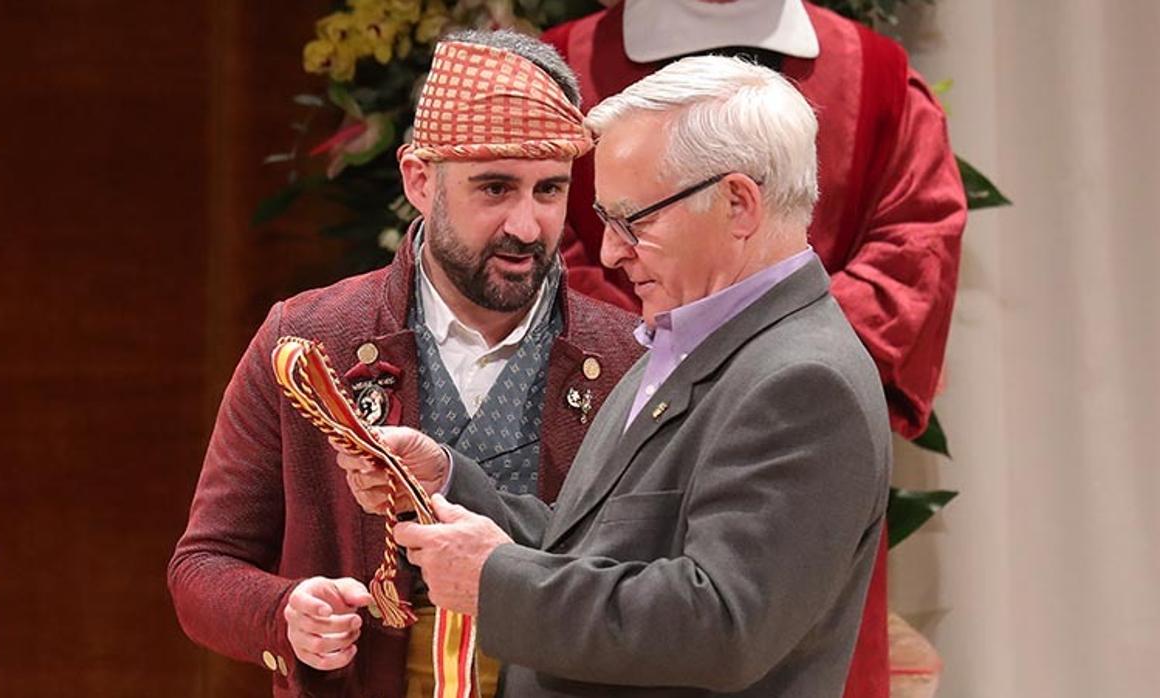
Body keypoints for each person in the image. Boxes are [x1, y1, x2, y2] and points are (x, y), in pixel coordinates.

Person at [339, 56, 893, 697]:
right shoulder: (689, 339)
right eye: (605, 221)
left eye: (635, 221)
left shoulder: (803, 382)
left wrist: (492, 582)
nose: (608, 252)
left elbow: (722, 625)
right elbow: (591, 550)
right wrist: (450, 481)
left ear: (738, 203)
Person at [167, 30, 644, 698]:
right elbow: (202, 568)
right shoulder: (307, 339)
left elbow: (659, 584)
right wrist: (285, 614)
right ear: (418, 180)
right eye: (495, 187)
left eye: (549, 190)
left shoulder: (630, 357)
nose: (528, 226)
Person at [544, 4, 968, 693]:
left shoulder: (878, 78)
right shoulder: (562, 66)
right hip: (606, 436)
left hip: (793, 459)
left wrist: (770, 366)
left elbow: (914, 249)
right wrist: (664, 356)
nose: (617, 242)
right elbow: (540, 244)